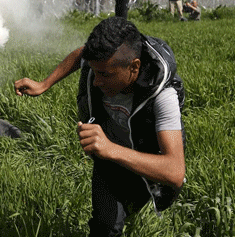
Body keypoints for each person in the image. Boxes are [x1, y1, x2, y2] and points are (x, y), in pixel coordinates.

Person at [14, 17, 185, 237]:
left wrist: (110, 149)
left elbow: (175, 171)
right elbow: (81, 54)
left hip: (144, 160)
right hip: (109, 159)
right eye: (94, 71)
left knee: (132, 206)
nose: (95, 82)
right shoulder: (104, 61)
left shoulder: (162, 96)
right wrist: (44, 84)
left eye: (105, 74)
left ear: (134, 67)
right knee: (106, 225)